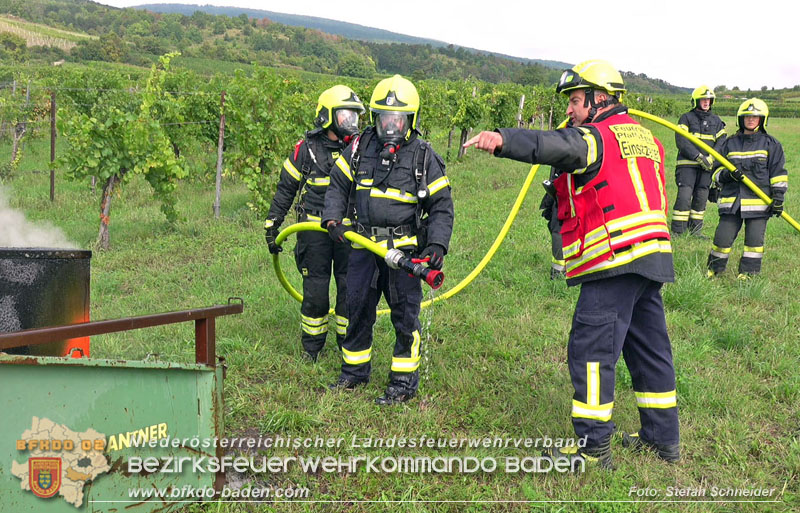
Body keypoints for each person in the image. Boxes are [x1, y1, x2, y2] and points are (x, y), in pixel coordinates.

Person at [465, 60, 680, 468]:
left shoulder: (595, 137)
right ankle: (662, 439)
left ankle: (593, 447)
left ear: (601, 99)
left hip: (614, 258)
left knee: (592, 350)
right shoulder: (645, 138)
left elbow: (556, 145)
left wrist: (502, 139)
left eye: (577, 101)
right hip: (651, 256)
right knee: (650, 348)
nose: (570, 110)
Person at [323, 75, 454, 405]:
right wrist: (333, 218)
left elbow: (441, 207)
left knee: (405, 318)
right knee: (356, 309)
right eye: (384, 118)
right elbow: (338, 185)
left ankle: (403, 383)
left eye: (397, 119)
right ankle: (354, 373)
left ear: (411, 120)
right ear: (374, 118)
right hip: (362, 247)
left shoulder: (424, 156)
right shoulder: (359, 146)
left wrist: (436, 245)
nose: (390, 126)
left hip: (403, 253)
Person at [264, 85, 364, 362]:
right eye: (346, 116)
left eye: (355, 116)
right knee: (316, 294)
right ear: (327, 117)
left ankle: (349, 346)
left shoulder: (360, 150)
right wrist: (273, 224)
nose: (352, 123)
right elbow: (286, 189)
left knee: (350, 291)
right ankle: (312, 349)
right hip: (313, 235)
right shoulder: (305, 150)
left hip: (349, 234)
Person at [707, 98, 787, 279]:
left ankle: (748, 274)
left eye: (755, 117)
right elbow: (715, 172)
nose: (751, 119)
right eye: (747, 116)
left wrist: (778, 198)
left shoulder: (771, 145)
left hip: (759, 204)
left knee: (754, 242)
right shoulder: (729, 143)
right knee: (722, 237)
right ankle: (714, 269)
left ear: (762, 119)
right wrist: (727, 175)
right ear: (740, 119)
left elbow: (778, 174)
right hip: (732, 201)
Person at [671, 86, 727, 236]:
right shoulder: (686, 118)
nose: (706, 102)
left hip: (707, 167)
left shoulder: (716, 121)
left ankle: (696, 231)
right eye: (703, 99)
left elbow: (722, 142)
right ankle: (678, 231)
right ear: (696, 101)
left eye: (709, 100)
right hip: (687, 165)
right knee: (684, 196)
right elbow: (681, 140)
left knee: (701, 198)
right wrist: (698, 156)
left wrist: (711, 159)